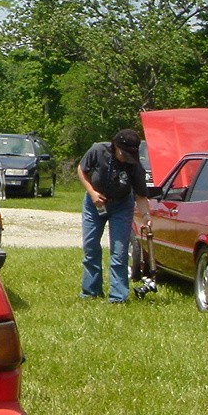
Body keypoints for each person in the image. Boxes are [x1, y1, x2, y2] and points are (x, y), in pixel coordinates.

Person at [77, 128, 150, 303]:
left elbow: (141, 195)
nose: (126, 158)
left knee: (119, 251)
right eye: (124, 153)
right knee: (91, 247)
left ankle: (118, 296)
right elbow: (81, 170)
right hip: (94, 204)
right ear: (115, 146)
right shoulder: (98, 150)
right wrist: (92, 193)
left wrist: (146, 216)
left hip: (121, 206)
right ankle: (91, 291)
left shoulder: (135, 165)